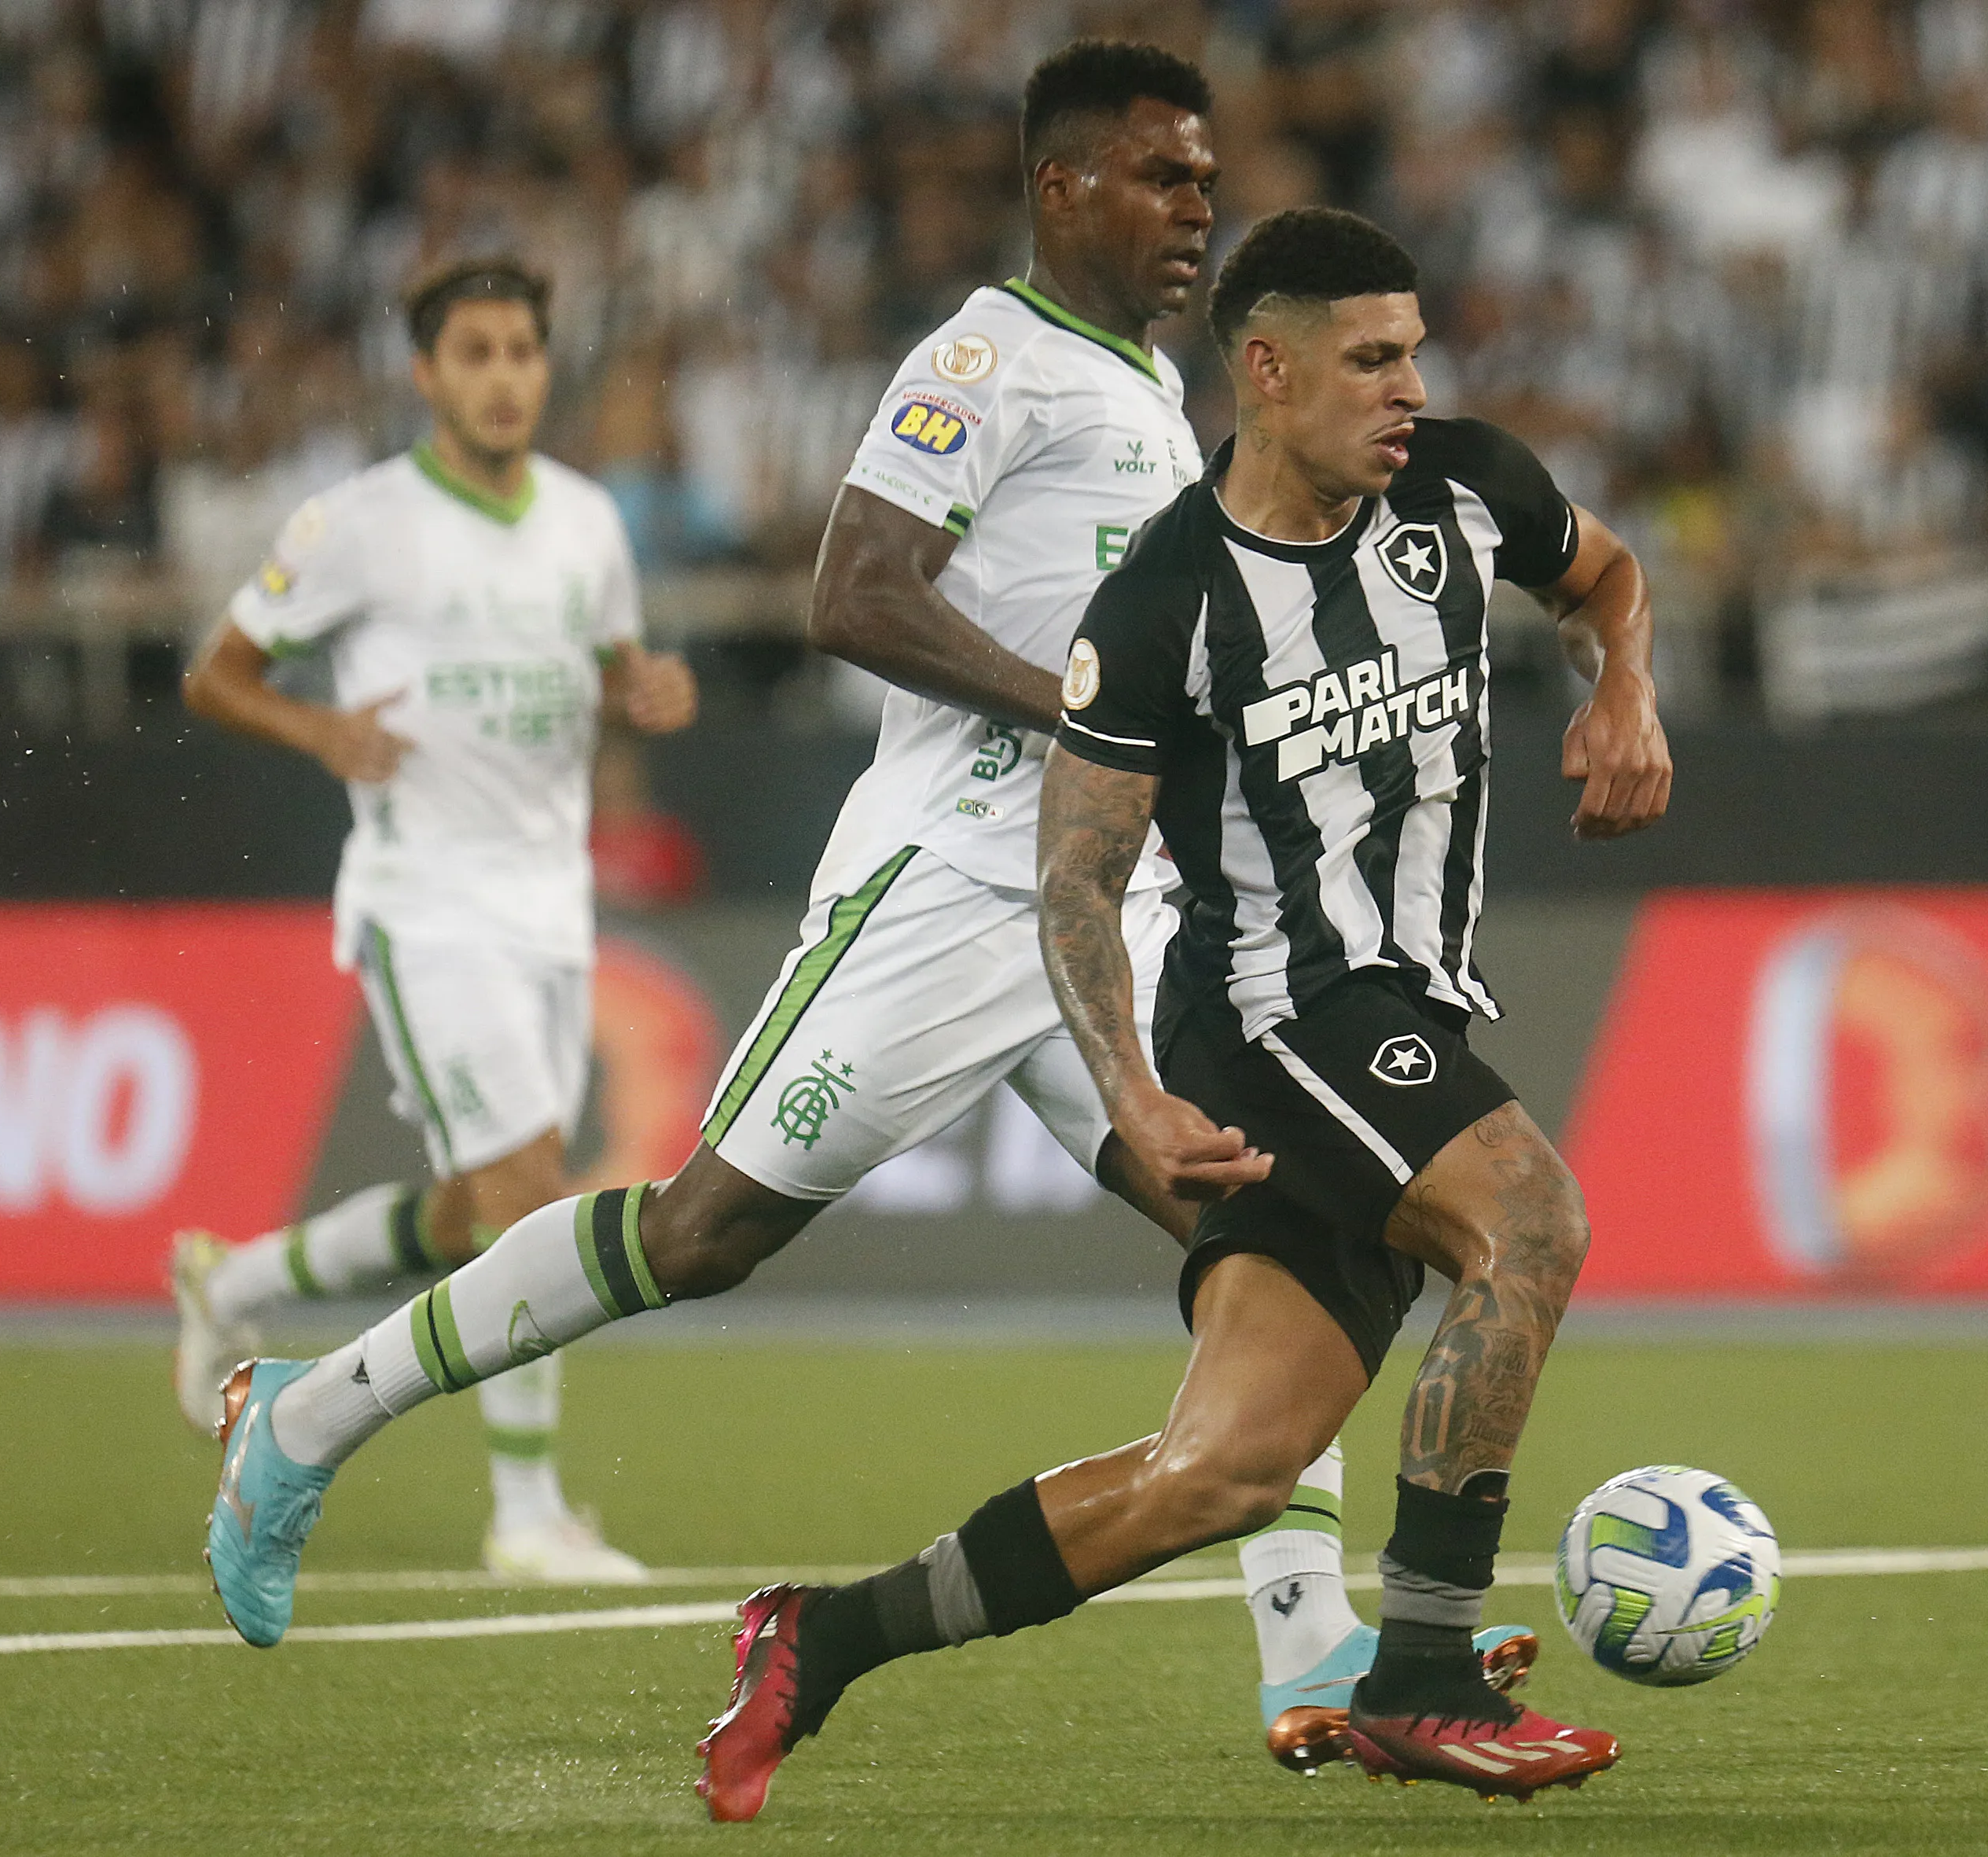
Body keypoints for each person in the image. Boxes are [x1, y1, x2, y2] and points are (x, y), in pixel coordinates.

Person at [197, 42, 1530, 1763]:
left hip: (1102, 904)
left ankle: (1301, 1648)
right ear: (1062, 188)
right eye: (1159, 175)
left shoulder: (1144, 387)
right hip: (949, 882)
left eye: (1206, 179)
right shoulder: (987, 357)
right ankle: (305, 1412)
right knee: (701, 1233)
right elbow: (854, 585)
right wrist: (1073, 705)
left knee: (1265, 1229)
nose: (1197, 205)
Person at [693, 204, 1674, 1818]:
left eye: (1415, 351)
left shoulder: (1464, 488)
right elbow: (1076, 877)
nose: (1408, 387)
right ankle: (1418, 1678)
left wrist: (1617, 687)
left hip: (1388, 1005)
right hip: (1279, 1014)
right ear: (1268, 372)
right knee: (1533, 1225)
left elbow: (1609, 574)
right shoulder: (1165, 601)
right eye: (1371, 359)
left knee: (1215, 1473)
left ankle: (823, 1634)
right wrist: (1132, 1090)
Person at [172, 256, 700, 1582]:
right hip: (427, 903)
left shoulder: (586, 520)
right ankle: (526, 1512)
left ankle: (239, 1282)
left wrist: (643, 694)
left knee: (478, 1212)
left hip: (549, 903)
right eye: (474, 352)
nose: (504, 376)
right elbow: (218, 674)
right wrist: (319, 726)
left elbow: (607, 667)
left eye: (522, 350)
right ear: (425, 373)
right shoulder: (358, 522)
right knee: (532, 1201)